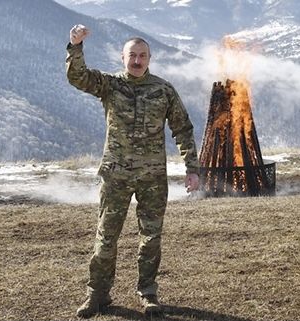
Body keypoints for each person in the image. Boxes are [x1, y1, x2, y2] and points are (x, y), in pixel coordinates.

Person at [66, 24, 200, 318]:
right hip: (116, 176)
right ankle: (97, 295)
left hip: (152, 178)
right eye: (132, 56)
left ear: (149, 59)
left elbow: (183, 129)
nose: (137, 61)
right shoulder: (110, 85)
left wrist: (192, 168)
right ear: (123, 57)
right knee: (106, 238)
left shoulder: (163, 90)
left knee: (150, 238)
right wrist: (75, 46)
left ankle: (148, 293)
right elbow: (78, 77)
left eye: (142, 55)